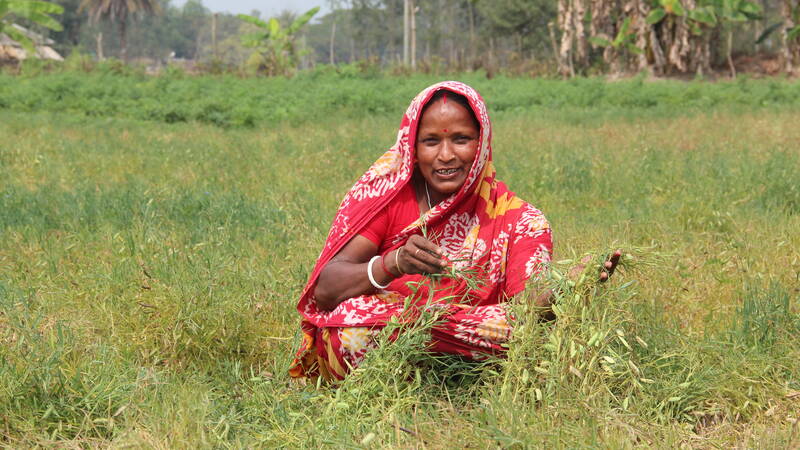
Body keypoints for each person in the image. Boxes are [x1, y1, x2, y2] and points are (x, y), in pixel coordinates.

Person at [289, 81, 620, 381]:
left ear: (481, 144)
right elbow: (326, 291)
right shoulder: (387, 201)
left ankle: (449, 375)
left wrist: (569, 283)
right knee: (348, 325)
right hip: (392, 334)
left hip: (472, 340)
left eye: (460, 139)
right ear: (413, 150)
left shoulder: (522, 220)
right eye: (431, 142)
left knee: (518, 329)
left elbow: (529, 307)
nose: (445, 156)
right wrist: (393, 263)